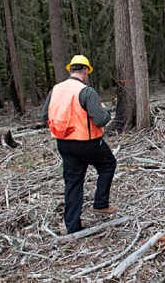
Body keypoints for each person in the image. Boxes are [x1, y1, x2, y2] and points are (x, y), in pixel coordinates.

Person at [42, 55, 117, 234]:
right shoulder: (86, 91)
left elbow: (44, 116)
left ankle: (73, 227)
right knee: (108, 165)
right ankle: (100, 204)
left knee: (73, 183)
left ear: (70, 70)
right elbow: (100, 120)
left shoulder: (56, 90)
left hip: (64, 144)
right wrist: (106, 110)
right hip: (88, 143)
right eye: (87, 72)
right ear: (85, 71)